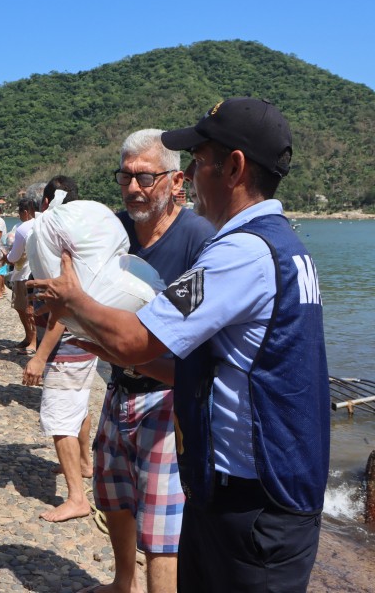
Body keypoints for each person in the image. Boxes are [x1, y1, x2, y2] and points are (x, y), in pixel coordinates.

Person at [31, 98, 329, 593]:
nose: (189, 174)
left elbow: (135, 338)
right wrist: (106, 345)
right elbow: (216, 368)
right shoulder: (284, 246)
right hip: (271, 488)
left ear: (233, 167)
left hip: (254, 502)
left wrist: (74, 301)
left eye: (198, 160)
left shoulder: (237, 254)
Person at [84, 130, 215, 593]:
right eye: (126, 178)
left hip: (168, 398)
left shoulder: (201, 242)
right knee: (113, 496)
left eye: (146, 178)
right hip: (118, 386)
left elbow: (187, 331)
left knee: (162, 528)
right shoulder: (113, 233)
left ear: (176, 179)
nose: (135, 189)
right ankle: (123, 582)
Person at [22, 176, 98, 523]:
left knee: (59, 418)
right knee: (78, 405)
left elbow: (62, 310)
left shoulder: (54, 237)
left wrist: (38, 357)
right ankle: (84, 463)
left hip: (66, 345)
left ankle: (76, 498)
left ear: (47, 202)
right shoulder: (84, 233)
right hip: (91, 339)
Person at [4, 197, 37, 354]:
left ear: (25, 212)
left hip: (25, 273)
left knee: (29, 309)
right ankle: (29, 336)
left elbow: (13, 256)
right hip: (23, 272)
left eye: (19, 212)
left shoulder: (23, 228)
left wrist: (6, 257)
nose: (18, 215)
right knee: (21, 308)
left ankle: (34, 340)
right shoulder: (39, 225)